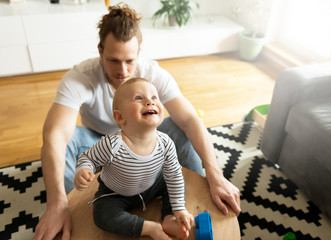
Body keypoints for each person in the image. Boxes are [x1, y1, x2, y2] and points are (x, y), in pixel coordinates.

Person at [34, 2, 240, 240]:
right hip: (99, 140)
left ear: (139, 54)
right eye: (113, 60)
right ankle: (68, 211)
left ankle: (187, 203)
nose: (122, 70)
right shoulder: (80, 77)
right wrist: (55, 202)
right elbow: (54, 136)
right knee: (64, 143)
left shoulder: (154, 74)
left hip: (145, 138)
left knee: (179, 128)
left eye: (129, 61)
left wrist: (216, 175)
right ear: (100, 51)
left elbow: (190, 119)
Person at [74, 78, 194, 240]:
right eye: (139, 98)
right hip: (115, 193)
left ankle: (168, 218)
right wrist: (84, 169)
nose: (149, 102)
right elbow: (88, 158)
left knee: (175, 181)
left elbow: (173, 176)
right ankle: (150, 228)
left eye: (154, 98)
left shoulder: (165, 142)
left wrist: (179, 208)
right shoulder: (112, 144)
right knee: (102, 215)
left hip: (151, 185)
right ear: (120, 117)